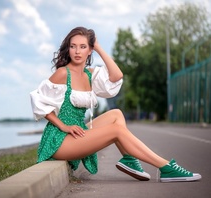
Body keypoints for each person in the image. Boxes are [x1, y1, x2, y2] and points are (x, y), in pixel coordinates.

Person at [30, 26, 201, 182]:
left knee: (116, 114)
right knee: (117, 131)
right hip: (59, 140)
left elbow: (117, 75)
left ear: (90, 50)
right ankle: (165, 167)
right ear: (68, 48)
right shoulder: (62, 73)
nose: (77, 51)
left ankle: (129, 159)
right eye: (73, 46)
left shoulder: (89, 75)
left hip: (78, 132)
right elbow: (41, 103)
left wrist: (99, 47)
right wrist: (64, 127)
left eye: (83, 47)